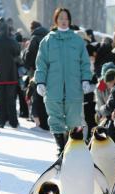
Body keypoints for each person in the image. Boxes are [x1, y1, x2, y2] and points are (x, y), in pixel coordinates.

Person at [34, 7, 91, 156]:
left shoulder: (77, 41)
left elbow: (85, 62)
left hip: (74, 88)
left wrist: (86, 79)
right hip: (53, 88)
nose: (64, 21)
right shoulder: (47, 41)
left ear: (70, 21)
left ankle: (71, 148)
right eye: (61, 18)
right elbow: (41, 64)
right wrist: (40, 81)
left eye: (66, 18)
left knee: (74, 120)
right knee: (55, 118)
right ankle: (61, 147)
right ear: (56, 20)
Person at [0, 17, 20, 129]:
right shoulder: (13, 42)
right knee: (11, 100)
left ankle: (1, 121)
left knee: (0, 100)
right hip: (11, 75)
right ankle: (13, 122)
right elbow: (17, 53)